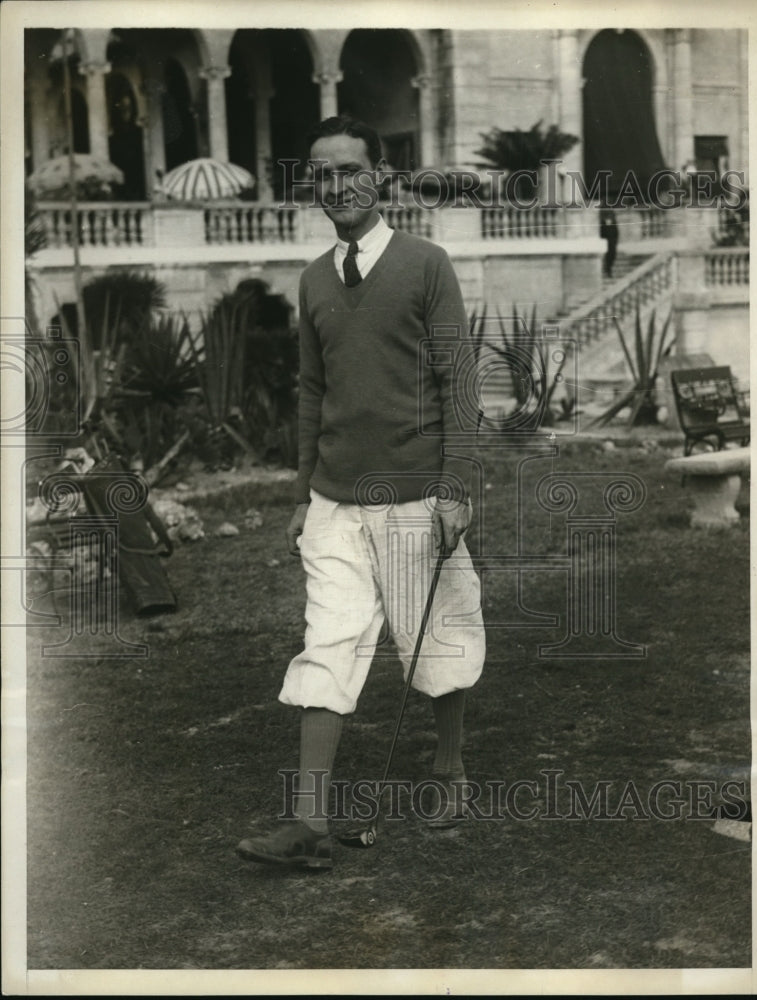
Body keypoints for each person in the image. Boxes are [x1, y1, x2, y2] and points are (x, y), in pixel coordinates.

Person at [236, 116, 485, 871]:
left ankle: (449, 770)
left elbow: (459, 381)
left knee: (435, 633)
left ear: (382, 177)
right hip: (334, 501)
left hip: (416, 494)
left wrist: (456, 487)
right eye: (323, 173)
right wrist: (301, 494)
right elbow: (312, 392)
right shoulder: (313, 279)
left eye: (350, 169)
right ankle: (309, 823)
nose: (337, 184)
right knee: (328, 643)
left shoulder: (426, 264)